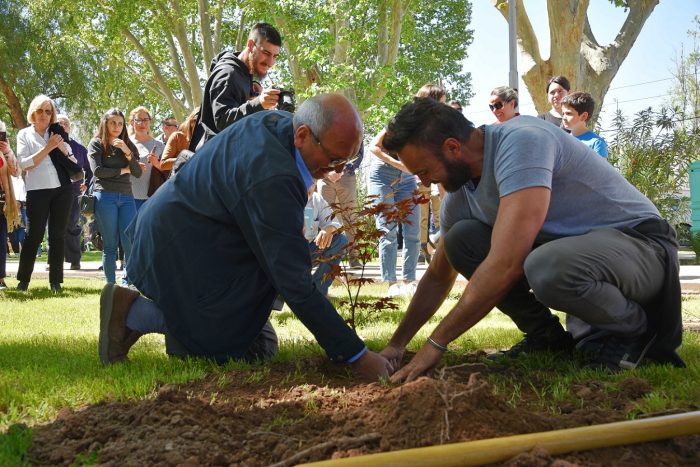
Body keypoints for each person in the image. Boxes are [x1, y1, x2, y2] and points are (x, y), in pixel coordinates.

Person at [377, 98, 684, 382]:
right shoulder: (461, 196)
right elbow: (437, 276)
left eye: (425, 170)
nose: (424, 182)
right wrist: (397, 344)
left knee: (545, 266)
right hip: (588, 258)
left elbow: (507, 264)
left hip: (643, 247)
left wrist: (437, 342)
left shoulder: (522, 141)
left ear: (453, 147)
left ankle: (635, 330)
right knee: (462, 240)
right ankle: (547, 340)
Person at [98, 94, 392, 381]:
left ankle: (187, 332)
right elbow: (293, 280)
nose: (338, 171)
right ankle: (132, 314)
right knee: (227, 348)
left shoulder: (277, 125)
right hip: (177, 248)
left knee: (260, 347)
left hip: (187, 236)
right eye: (334, 159)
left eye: (348, 162)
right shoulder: (274, 174)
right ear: (303, 134)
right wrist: (356, 355)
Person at [368, 83, 443, 294]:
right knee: (388, 230)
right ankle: (391, 283)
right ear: (430, 102)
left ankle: (409, 281)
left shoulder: (433, 128)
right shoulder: (403, 119)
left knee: (412, 231)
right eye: (441, 103)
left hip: (408, 179)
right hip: (383, 175)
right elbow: (374, 146)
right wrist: (402, 166)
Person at [16, 95, 77, 292]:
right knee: (34, 235)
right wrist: (48, 147)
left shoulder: (57, 133)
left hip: (63, 190)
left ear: (52, 115)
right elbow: (25, 165)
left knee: (58, 236)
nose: (44, 115)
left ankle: (56, 282)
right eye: (40, 110)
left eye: (48, 111)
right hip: (37, 191)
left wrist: (59, 144)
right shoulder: (24, 134)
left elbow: (74, 162)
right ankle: (23, 280)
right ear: (33, 113)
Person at [189, 22, 282, 151]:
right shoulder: (228, 74)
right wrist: (258, 103)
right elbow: (222, 121)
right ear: (250, 45)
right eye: (266, 53)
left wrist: (256, 99)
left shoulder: (244, 73)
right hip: (215, 161)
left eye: (275, 56)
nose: (271, 62)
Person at [88, 108, 143, 285]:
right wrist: (123, 170)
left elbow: (137, 172)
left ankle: (129, 282)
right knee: (110, 244)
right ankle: (110, 285)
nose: (117, 126)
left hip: (127, 197)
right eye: (113, 122)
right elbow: (98, 171)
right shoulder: (96, 144)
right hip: (105, 196)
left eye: (120, 123)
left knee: (130, 243)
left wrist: (127, 151)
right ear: (105, 123)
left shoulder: (128, 144)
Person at [316, 144, 363, 268]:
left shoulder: (355, 125)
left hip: (347, 177)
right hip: (325, 177)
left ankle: (354, 257)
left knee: (350, 217)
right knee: (325, 217)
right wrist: (327, 172)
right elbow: (315, 151)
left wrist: (341, 170)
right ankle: (326, 257)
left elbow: (359, 153)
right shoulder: (320, 125)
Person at [56, 114, 92, 270]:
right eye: (59, 123)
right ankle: (54, 261)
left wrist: (86, 185)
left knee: (72, 224)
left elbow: (89, 172)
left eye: (65, 123)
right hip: (53, 190)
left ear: (69, 127)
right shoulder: (48, 145)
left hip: (73, 191)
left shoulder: (79, 148)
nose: (62, 125)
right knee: (54, 225)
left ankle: (74, 260)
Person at [305, 182, 347, 295]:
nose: (309, 184)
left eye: (313, 182)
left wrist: (328, 229)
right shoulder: (283, 196)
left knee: (340, 240)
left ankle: (318, 291)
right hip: (284, 255)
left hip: (307, 252)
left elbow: (335, 223)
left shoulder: (316, 199)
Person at [127, 106, 163, 211]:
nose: (142, 123)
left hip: (153, 199)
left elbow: (169, 173)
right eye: (138, 120)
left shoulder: (160, 145)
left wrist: (156, 163)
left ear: (150, 122)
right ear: (132, 123)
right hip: (127, 199)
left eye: (145, 120)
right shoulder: (124, 144)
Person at [0, 120, 20, 290]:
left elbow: (16, 171)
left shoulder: (4, 151)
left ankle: (0, 279)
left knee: (0, 241)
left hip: (2, 202)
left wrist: (7, 152)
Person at [560, 92, 608, 157]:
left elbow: (601, 167)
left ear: (583, 116)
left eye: (568, 114)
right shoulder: (562, 141)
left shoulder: (596, 143)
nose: (564, 118)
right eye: (563, 113)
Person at [153, 108, 199, 175]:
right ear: (192, 122)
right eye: (176, 126)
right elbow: (163, 164)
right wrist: (188, 159)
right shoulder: (178, 136)